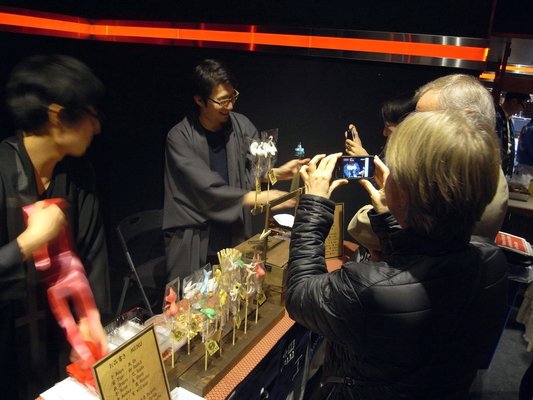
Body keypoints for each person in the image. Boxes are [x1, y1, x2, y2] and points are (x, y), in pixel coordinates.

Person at [285, 110, 508, 400]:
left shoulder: (368, 289)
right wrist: (392, 220)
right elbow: (419, 265)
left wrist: (314, 205)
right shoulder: (490, 260)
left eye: (394, 173)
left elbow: (299, 296)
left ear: (404, 194)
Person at [0, 54, 111, 399]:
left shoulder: (78, 174)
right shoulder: (2, 170)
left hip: (61, 346)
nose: (97, 127)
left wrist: (90, 317)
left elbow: (93, 253)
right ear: (57, 116)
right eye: (91, 115)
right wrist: (28, 242)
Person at [163, 59, 308, 281]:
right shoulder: (179, 138)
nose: (230, 106)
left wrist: (278, 173)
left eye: (233, 97)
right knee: (194, 298)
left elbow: (248, 175)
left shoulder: (240, 126)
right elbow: (204, 188)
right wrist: (260, 197)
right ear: (199, 100)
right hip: (196, 238)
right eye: (222, 100)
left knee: (236, 290)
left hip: (233, 232)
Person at [347, 74, 509, 258]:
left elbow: (364, 226)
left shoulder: (456, 182)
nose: (412, 128)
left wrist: (387, 207)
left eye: (424, 119)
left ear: (467, 119)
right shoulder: (481, 172)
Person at [495, 91, 530, 177]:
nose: (522, 109)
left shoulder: (509, 119)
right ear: (513, 101)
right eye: (523, 105)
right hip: (494, 167)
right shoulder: (496, 117)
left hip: (503, 168)